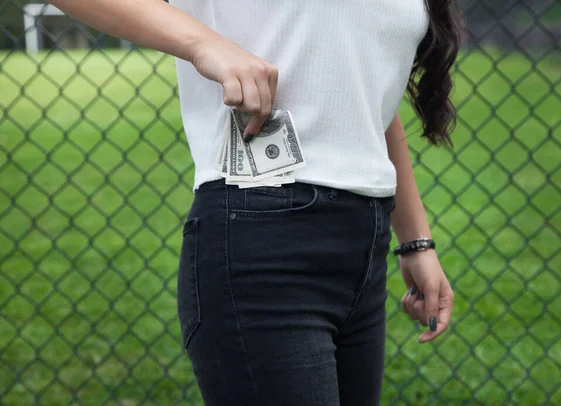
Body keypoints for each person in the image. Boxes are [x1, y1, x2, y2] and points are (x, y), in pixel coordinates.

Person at [48, 0, 461, 404]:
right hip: (261, 241)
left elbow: (364, 99)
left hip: (365, 248)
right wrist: (204, 44)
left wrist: (415, 241)